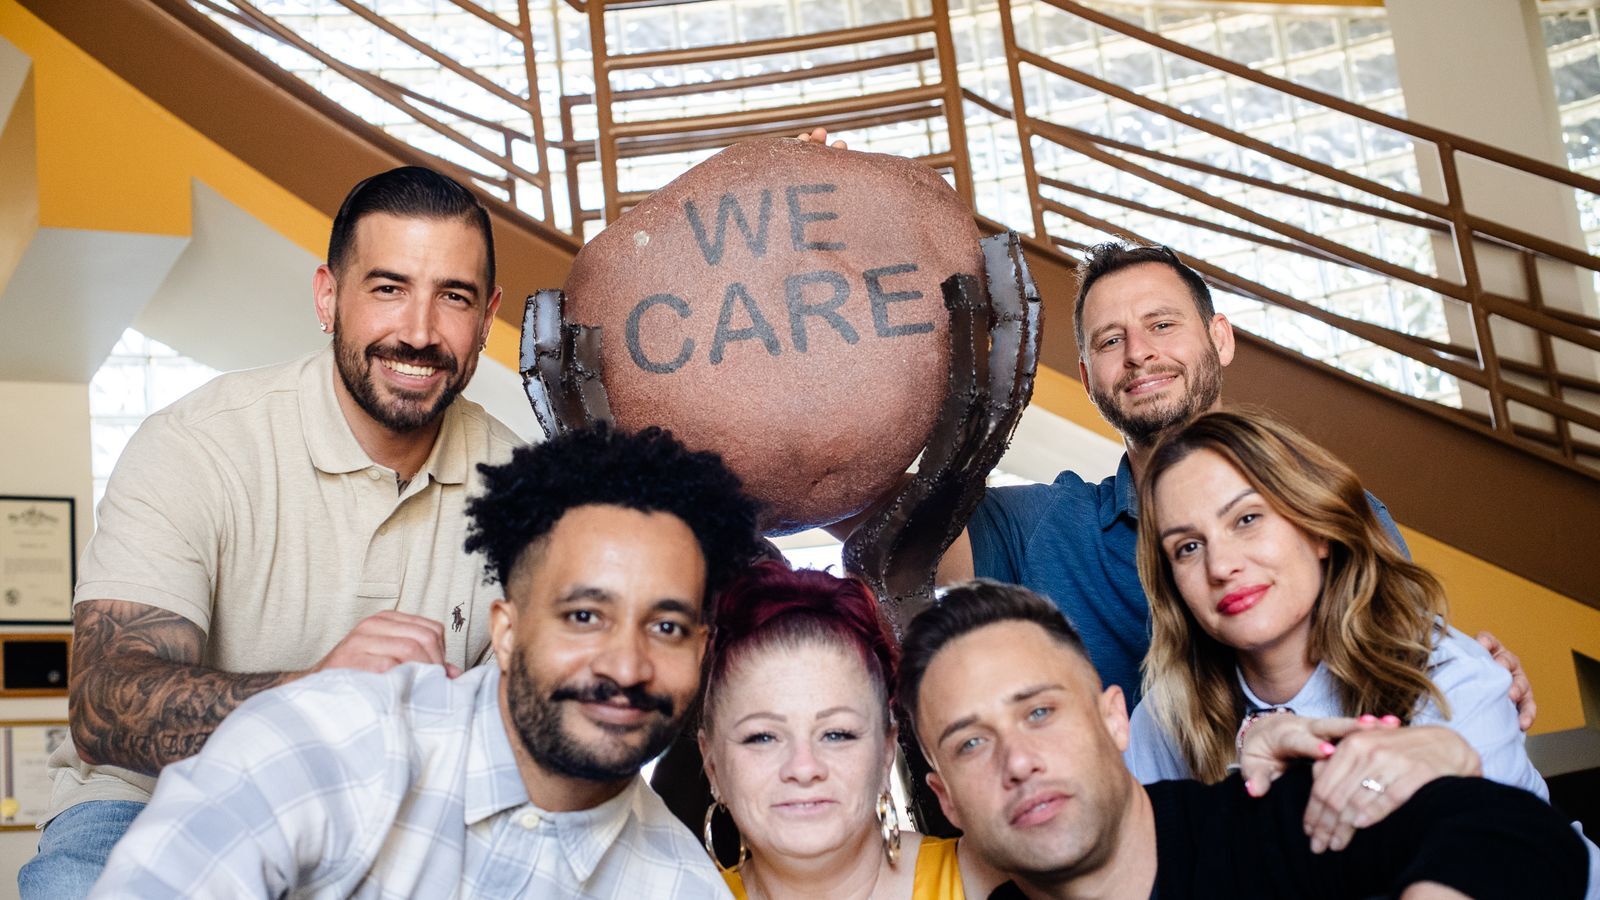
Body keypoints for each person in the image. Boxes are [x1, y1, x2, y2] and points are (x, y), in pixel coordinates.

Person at [22, 166, 522, 898]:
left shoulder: (525, 485)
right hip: (150, 807)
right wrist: (317, 694)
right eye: (388, 288)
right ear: (328, 296)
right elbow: (105, 699)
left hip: (393, 823)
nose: (419, 332)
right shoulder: (196, 444)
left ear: (487, 317)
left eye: (453, 297)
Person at [89, 424, 763, 897]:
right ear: (505, 631)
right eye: (584, 616)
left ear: (702, 652)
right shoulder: (333, 745)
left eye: (667, 626)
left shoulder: (678, 884)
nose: (627, 665)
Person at [1128, 409, 1599, 890]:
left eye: (1247, 519)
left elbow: (1496, 866)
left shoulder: (1447, 675)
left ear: (1317, 530)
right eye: (1187, 547)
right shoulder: (1165, 717)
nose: (1221, 565)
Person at [894, 580, 1589, 899]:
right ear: (946, 801)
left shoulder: (1269, 821)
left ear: (1114, 720)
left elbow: (1517, 836)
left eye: (1040, 712)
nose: (1018, 761)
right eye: (970, 744)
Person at [697, 562, 1003, 899]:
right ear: (712, 764)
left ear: (886, 751)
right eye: (762, 737)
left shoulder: (993, 885)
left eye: (837, 734)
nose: (803, 768)